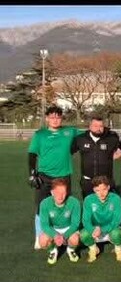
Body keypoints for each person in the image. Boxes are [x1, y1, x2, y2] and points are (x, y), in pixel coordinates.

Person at [28, 105, 82, 249]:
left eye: (58, 117)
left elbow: (87, 136)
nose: (55, 120)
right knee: (40, 206)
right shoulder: (40, 134)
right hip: (44, 176)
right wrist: (32, 174)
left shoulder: (70, 131)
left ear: (61, 118)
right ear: (47, 118)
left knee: (65, 205)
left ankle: (66, 235)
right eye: (52, 117)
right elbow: (32, 154)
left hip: (64, 176)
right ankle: (39, 236)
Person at [71, 115, 120, 199]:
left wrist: (111, 157)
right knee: (88, 203)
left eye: (101, 126)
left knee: (106, 204)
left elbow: (120, 150)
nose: (98, 128)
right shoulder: (80, 139)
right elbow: (71, 151)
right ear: (90, 126)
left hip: (106, 180)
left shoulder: (112, 139)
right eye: (95, 126)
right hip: (88, 181)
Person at [80, 175, 121, 263]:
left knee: (117, 233)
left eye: (104, 189)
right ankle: (94, 249)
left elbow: (117, 220)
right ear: (94, 190)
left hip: (110, 230)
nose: (101, 193)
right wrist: (92, 229)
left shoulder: (116, 198)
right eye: (98, 190)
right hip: (95, 232)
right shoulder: (88, 200)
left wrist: (102, 229)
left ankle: (118, 249)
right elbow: (85, 220)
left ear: (108, 187)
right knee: (83, 234)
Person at [38, 177, 81, 265]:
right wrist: (55, 235)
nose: (60, 196)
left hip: (68, 227)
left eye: (63, 193)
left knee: (75, 240)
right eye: (57, 193)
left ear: (67, 192)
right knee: (42, 241)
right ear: (52, 192)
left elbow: (75, 224)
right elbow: (45, 225)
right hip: (54, 228)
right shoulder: (44, 203)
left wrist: (64, 236)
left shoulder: (74, 202)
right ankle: (53, 251)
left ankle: (70, 249)